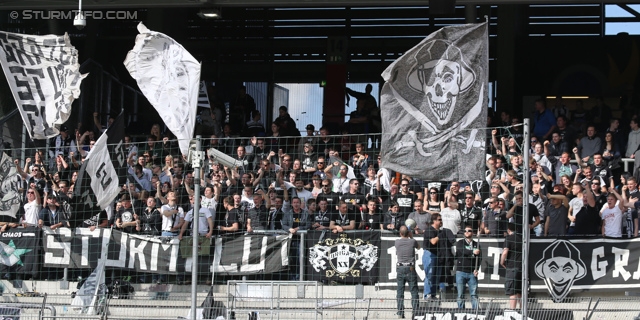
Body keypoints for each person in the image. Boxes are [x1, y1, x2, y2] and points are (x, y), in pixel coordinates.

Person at [395, 225, 419, 319]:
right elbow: (419, 247)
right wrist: (411, 236)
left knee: (400, 291)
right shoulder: (412, 241)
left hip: (400, 267)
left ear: (400, 233)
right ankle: (416, 312)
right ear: (408, 233)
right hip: (410, 268)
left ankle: (400, 312)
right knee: (413, 291)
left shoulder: (397, 242)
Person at [454, 225, 480, 310]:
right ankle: (461, 312)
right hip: (460, 272)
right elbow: (462, 251)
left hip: (472, 272)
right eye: (465, 231)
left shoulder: (477, 244)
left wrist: (477, 269)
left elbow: (480, 258)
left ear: (473, 232)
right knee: (460, 295)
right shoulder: (460, 242)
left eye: (469, 230)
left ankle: (476, 313)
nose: (467, 232)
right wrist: (473, 251)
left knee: (474, 294)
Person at [501, 223, 522, 310]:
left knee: (512, 290)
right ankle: (522, 311)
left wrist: (502, 262)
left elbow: (505, 252)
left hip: (512, 267)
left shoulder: (508, 238)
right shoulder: (521, 238)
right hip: (522, 267)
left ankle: (512, 311)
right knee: (520, 291)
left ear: (508, 230)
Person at [422, 213, 443, 300]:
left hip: (437, 254)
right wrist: (440, 235)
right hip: (429, 254)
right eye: (439, 220)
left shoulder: (439, 231)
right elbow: (433, 241)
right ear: (434, 221)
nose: (441, 221)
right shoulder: (430, 230)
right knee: (430, 274)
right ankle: (427, 294)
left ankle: (433, 294)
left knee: (436, 275)